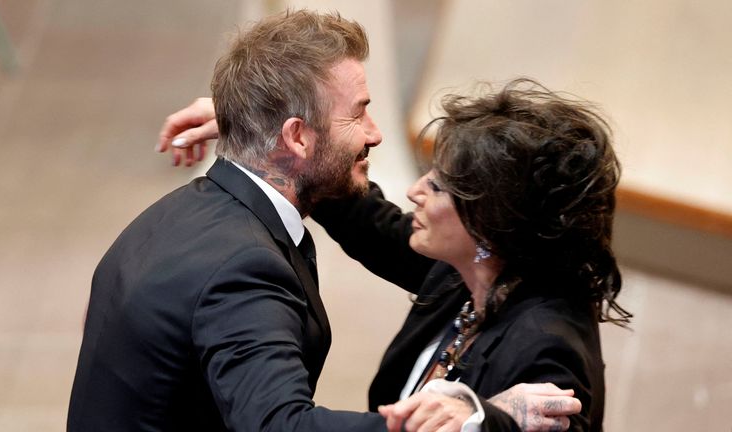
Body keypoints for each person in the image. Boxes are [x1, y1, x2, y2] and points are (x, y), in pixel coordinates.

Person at [70, 9, 577, 432]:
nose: (376, 135)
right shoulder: (242, 267)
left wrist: (256, 124)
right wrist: (468, 423)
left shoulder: (178, 214)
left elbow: (374, 228)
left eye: (441, 184)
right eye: (358, 113)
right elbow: (279, 426)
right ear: (297, 137)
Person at [158, 79, 630, 431]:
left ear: (491, 220)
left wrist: (483, 418)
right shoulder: (470, 269)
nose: (415, 191)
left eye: (439, 185)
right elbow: (371, 223)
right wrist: (266, 132)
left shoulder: (549, 344)